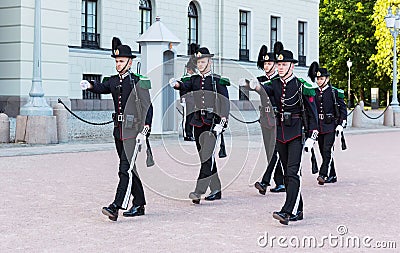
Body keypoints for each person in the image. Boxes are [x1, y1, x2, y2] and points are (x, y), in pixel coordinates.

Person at [80, 37, 153, 221]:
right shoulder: (113, 81)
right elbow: (102, 87)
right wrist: (89, 85)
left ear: (130, 62)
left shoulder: (139, 82)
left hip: (133, 132)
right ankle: (139, 204)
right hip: (119, 131)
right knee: (130, 169)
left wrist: (145, 130)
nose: (118, 64)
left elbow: (148, 107)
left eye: (121, 61)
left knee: (124, 169)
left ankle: (116, 206)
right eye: (116, 61)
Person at [250, 46, 318, 225]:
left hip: (296, 132)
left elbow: (312, 114)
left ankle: (288, 211)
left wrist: (312, 136)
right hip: (280, 133)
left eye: (284, 64)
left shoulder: (302, 85)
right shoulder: (275, 84)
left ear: (292, 66)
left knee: (292, 172)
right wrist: (252, 85)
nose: (280, 67)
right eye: (278, 64)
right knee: (289, 174)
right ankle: (299, 209)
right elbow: (263, 88)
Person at [170, 47, 230, 204]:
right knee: (206, 157)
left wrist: (222, 122)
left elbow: (224, 102)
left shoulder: (218, 80)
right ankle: (216, 189)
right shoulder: (194, 80)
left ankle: (199, 191)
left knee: (206, 158)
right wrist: (176, 84)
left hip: (212, 123)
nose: (201, 64)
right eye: (198, 62)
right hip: (198, 122)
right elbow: (184, 87)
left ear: (210, 62)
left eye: (203, 61)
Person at [249, 43, 285, 195]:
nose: (266, 65)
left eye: (270, 63)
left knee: (275, 152)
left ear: (276, 65)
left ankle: (265, 181)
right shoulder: (261, 79)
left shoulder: (279, 80)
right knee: (269, 151)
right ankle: (281, 182)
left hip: (277, 118)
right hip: (265, 118)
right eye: (265, 63)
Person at [308, 62, 347, 185]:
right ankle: (333, 175)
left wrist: (341, 124)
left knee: (327, 150)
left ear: (327, 79)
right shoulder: (313, 92)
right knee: (323, 151)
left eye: (321, 78)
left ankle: (323, 174)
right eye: (318, 79)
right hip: (318, 127)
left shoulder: (334, 92)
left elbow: (343, 109)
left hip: (330, 125)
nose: (319, 81)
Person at [179, 44, 198, 141]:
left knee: (192, 117)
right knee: (187, 117)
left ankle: (191, 133)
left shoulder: (193, 77)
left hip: (194, 100)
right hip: (187, 99)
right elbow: (183, 89)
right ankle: (187, 134)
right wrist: (182, 99)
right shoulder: (186, 78)